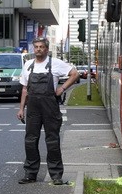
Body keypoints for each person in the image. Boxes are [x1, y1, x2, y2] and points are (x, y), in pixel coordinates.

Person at [16, 37, 79, 185]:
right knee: (30, 140)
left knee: (52, 141)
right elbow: (25, 88)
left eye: (41, 47)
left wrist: (62, 88)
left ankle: (56, 175)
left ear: (46, 49)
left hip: (50, 107)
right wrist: (21, 109)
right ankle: (30, 174)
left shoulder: (55, 63)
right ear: (33, 48)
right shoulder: (28, 65)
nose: (38, 49)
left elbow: (75, 74)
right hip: (33, 108)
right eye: (36, 46)